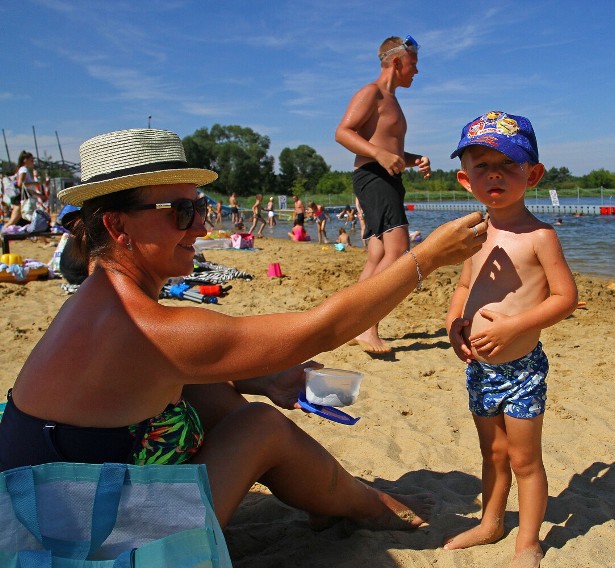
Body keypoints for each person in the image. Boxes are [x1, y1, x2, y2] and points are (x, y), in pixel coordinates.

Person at [0, 128, 488, 534]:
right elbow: (322, 328)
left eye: (202, 207)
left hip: (48, 502)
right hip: (79, 535)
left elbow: (154, 376)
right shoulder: (145, 327)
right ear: (117, 226)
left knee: (214, 396)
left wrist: (261, 377)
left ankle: (332, 497)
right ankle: (362, 506)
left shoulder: (103, 300)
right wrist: (426, 258)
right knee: (262, 427)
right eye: (182, 213)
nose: (200, 228)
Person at [444, 112, 578, 568]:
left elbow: (565, 298)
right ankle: (490, 522)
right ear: (466, 180)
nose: (494, 174)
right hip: (480, 367)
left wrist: (512, 328)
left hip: (521, 370)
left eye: (509, 164)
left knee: (524, 459)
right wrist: (454, 324)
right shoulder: (473, 234)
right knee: (492, 452)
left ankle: (528, 544)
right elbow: (464, 286)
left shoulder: (540, 236)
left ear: (533, 175)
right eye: (481, 166)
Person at [334, 35, 431, 354]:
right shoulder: (371, 93)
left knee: (377, 254)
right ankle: (367, 327)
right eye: (414, 65)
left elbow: (390, 150)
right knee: (397, 250)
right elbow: (342, 133)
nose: (417, 72)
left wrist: (413, 159)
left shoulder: (393, 100)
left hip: (383, 177)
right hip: (374, 177)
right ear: (397, 62)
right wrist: (380, 154)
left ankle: (349, 323)